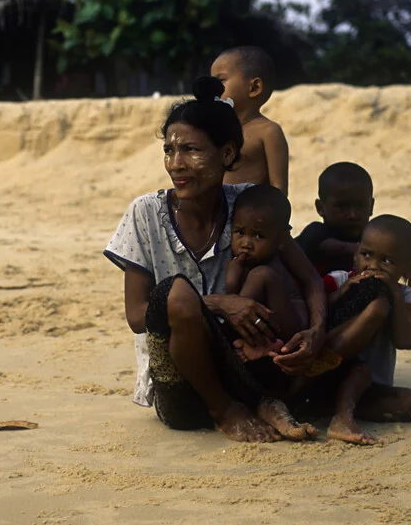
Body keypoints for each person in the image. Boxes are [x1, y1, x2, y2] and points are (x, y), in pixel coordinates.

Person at [103, 77, 326, 443]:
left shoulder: (251, 204)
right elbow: (136, 315)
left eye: (190, 149)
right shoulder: (144, 213)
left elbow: (310, 279)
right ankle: (224, 409)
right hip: (179, 388)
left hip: (247, 367)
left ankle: (261, 399)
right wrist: (220, 304)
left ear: (226, 154)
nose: (176, 164)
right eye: (169, 150)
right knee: (175, 294)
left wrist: (315, 331)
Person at [300, 215, 411, 445]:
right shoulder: (339, 280)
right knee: (358, 371)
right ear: (356, 252)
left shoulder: (404, 296)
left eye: (387, 261)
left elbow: (406, 341)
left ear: (408, 268)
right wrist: (343, 293)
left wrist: (395, 296)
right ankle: (341, 416)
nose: (373, 266)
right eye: (366, 255)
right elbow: (313, 310)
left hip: (371, 388)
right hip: (330, 373)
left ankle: (331, 408)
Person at [296, 162, 411, 290]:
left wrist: (405, 267)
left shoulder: (372, 235)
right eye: (342, 207)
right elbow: (337, 247)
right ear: (320, 208)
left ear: (371, 206)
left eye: (360, 206)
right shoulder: (315, 233)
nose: (353, 214)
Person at [223, 184, 305, 359]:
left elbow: (235, 303)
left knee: (262, 275)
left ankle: (227, 336)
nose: (246, 243)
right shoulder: (241, 263)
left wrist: (231, 282)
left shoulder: (270, 264)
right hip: (268, 329)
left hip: (292, 327)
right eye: (239, 232)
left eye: (258, 236)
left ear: (280, 241)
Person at [211, 46, 290, 195]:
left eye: (221, 80)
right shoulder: (215, 131)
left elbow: (279, 189)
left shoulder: (268, 131)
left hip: (251, 215)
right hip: (217, 216)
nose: (213, 88)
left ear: (254, 87)